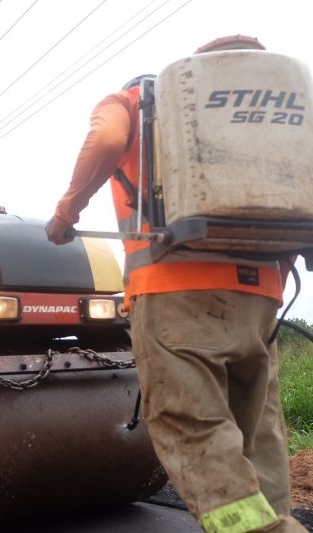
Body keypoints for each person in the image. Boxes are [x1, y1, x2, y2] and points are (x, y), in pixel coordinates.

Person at [46, 35, 304, 533]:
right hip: (262, 299)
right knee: (258, 434)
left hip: (176, 292)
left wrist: (64, 216)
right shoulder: (281, 107)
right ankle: (276, 519)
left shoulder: (142, 98)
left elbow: (103, 140)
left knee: (193, 428)